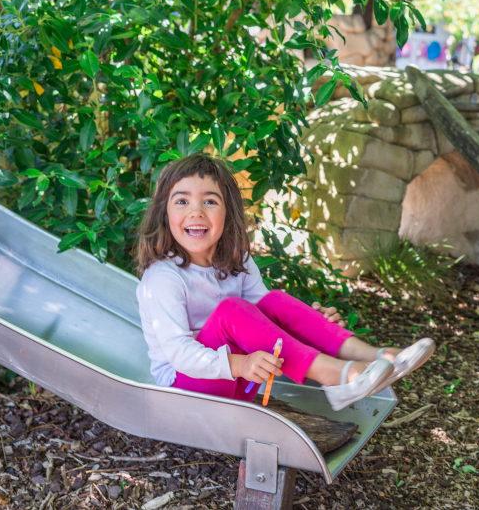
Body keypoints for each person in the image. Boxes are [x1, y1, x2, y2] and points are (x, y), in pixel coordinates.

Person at [135, 154, 435, 411]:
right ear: (165, 213)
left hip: (244, 381)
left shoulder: (236, 260)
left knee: (273, 301)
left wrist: (314, 326)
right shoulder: (163, 277)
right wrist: (239, 365)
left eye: (210, 201)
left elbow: (263, 318)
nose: (195, 211)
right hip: (187, 391)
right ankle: (340, 377)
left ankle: (372, 355)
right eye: (182, 201)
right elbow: (179, 353)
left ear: (228, 213)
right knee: (231, 310)